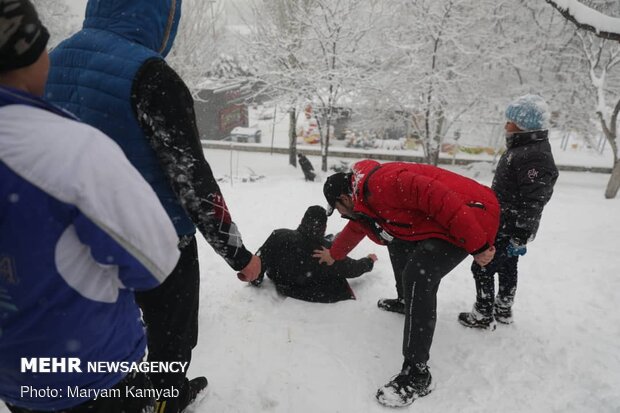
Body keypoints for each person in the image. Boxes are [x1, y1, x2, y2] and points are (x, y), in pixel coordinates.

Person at [45, 1, 261, 412]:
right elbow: (192, 181)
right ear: (162, 15)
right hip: (154, 241)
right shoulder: (150, 75)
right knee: (171, 342)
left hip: (74, 237)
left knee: (99, 337)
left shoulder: (54, 61)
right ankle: (158, 399)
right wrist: (240, 256)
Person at [0, 1, 180, 411]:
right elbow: (156, 259)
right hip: (84, 374)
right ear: (29, 56)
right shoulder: (72, 151)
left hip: (14, 373)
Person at [314, 159, 500, 407]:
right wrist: (334, 254)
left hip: (474, 213)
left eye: (338, 209)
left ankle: (417, 373)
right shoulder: (364, 198)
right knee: (397, 241)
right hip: (448, 216)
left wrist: (478, 244)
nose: (341, 215)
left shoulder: (383, 183)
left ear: (343, 198)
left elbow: (438, 197)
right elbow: (358, 227)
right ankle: (406, 300)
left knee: (419, 275)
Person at [459, 94, 559, 329]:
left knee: (482, 266)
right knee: (507, 265)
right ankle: (503, 309)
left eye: (510, 121)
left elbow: (534, 199)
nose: (506, 125)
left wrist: (521, 233)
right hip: (504, 221)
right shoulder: (526, 148)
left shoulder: (532, 155)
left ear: (524, 125)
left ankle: (483, 314)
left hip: (508, 225)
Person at [254, 206, 377, 303]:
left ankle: (333, 238)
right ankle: (333, 238)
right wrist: (369, 261)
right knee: (327, 244)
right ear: (324, 227)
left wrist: (256, 278)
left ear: (302, 220)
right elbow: (352, 269)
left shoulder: (279, 235)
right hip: (310, 291)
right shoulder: (327, 252)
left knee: (324, 241)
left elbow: (260, 258)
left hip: (281, 281)